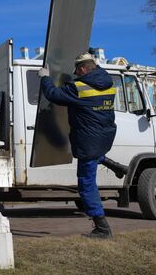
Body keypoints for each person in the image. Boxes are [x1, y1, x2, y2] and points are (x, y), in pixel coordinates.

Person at [38, 52, 118, 238]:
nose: (76, 74)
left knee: (86, 184)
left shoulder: (79, 88)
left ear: (82, 69)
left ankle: (102, 228)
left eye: (77, 71)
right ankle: (116, 166)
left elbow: (54, 95)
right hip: (104, 137)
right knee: (96, 155)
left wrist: (45, 79)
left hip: (88, 141)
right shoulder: (109, 84)